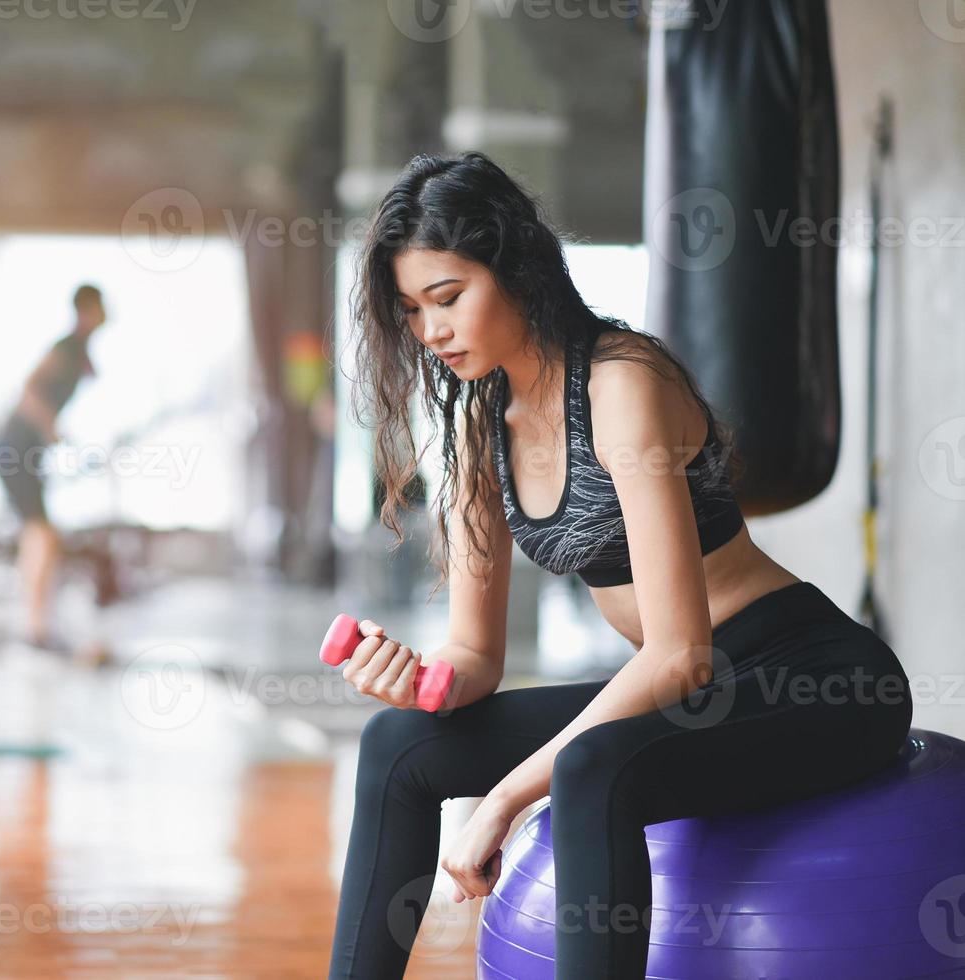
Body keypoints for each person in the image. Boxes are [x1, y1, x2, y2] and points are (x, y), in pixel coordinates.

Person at [326, 151, 913, 979]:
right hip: (697, 687)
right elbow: (475, 658)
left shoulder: (620, 382)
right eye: (412, 311)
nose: (430, 333)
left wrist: (501, 800)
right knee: (400, 743)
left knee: (591, 767)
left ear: (515, 267)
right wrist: (416, 681)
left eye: (449, 298)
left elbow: (680, 654)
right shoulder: (478, 427)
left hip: (812, 674)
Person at [0, 284, 107, 651]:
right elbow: (30, 391)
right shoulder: (65, 349)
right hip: (16, 448)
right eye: (101, 307)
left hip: (28, 450)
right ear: (87, 309)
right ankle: (35, 627)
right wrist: (51, 429)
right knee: (40, 534)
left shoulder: (79, 351)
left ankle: (37, 624)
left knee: (40, 535)